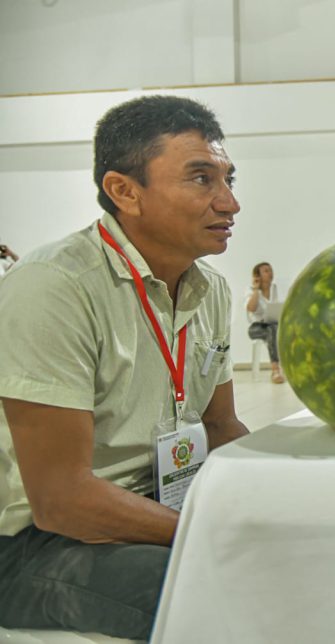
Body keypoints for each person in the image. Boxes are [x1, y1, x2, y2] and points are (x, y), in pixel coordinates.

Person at [0, 95, 249, 640]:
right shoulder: (54, 287)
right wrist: (205, 530)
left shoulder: (210, 290)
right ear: (124, 191)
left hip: (155, 506)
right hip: (39, 544)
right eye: (201, 179)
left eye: (229, 178)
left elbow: (220, 427)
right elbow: (62, 499)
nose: (229, 203)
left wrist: (285, 491)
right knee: (229, 585)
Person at [246, 261, 284, 384]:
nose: (270, 273)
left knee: (275, 328)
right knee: (272, 329)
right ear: (258, 275)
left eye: (270, 270)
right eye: (266, 271)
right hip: (256, 328)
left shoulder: (274, 288)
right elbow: (251, 308)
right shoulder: (250, 290)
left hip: (273, 324)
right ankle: (275, 370)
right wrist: (256, 290)